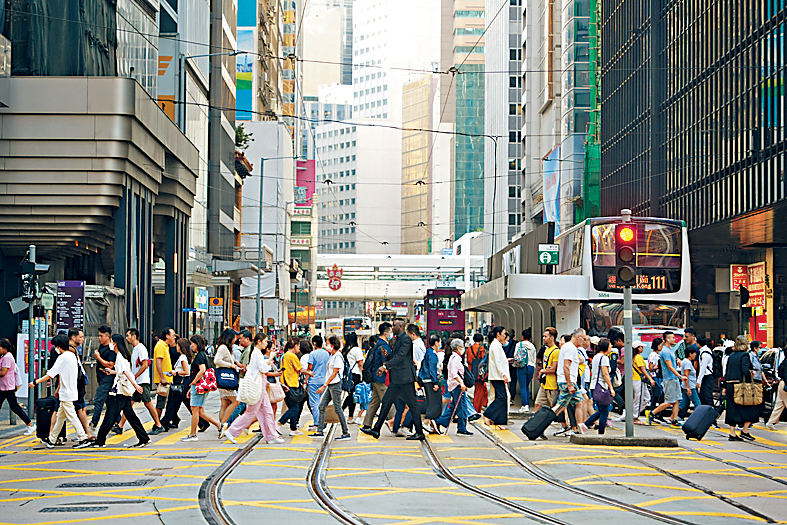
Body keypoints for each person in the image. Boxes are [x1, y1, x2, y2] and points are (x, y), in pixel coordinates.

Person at [361, 318, 425, 440]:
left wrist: (385, 366)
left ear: (400, 327)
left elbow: (401, 357)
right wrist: (388, 356)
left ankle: (419, 432)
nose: (392, 328)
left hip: (405, 379)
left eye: (394, 326)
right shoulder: (398, 339)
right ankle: (376, 429)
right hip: (398, 379)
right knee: (386, 402)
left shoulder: (405, 339)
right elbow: (396, 356)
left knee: (412, 405)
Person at [31, 334, 91, 449]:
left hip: (66, 393)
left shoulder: (62, 357)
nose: (55, 349)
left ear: (59, 346)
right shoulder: (72, 356)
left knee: (72, 416)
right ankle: (52, 440)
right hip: (69, 391)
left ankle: (83, 438)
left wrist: (35, 382)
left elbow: (50, 374)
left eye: (55, 346)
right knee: (60, 417)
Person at [224, 334, 284, 444]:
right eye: (265, 341)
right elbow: (264, 368)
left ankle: (271, 435)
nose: (266, 343)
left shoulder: (256, 353)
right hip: (257, 387)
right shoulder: (256, 353)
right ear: (259, 342)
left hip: (261, 385)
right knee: (251, 412)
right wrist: (271, 357)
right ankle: (232, 431)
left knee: (268, 411)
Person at [91, 334, 149, 448]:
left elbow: (127, 373)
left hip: (119, 393)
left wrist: (136, 385)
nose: (111, 345)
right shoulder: (122, 356)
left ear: (115, 344)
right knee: (131, 417)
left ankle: (100, 441)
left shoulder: (120, 357)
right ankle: (144, 438)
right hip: (122, 392)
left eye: (112, 342)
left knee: (109, 417)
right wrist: (112, 372)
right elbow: (121, 372)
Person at [121, 328, 164, 435]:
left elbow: (145, 364)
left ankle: (158, 425)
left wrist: (134, 377)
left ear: (134, 336)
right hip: (136, 382)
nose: (127, 338)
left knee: (148, 403)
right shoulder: (135, 348)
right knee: (128, 403)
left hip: (142, 381)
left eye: (128, 336)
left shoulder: (141, 348)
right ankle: (120, 426)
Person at [310, 334, 351, 440]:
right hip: (331, 385)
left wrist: (324, 385)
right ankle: (320, 430)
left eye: (327, 344)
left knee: (338, 408)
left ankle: (346, 432)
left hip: (335, 385)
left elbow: (334, 373)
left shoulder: (337, 356)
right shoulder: (332, 356)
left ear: (332, 345)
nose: (326, 346)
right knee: (322, 406)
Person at [181, 334, 221, 442]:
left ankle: (193, 434)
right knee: (200, 411)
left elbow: (202, 370)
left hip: (198, 386)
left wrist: (193, 382)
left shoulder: (200, 356)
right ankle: (219, 425)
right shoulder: (203, 354)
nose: (191, 346)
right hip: (200, 386)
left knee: (195, 410)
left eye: (192, 344)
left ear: (197, 344)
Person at [433, 339, 471, 436]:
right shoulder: (455, 358)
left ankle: (439, 421)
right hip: (456, 386)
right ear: (458, 347)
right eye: (462, 346)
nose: (464, 348)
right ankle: (461, 428)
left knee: (453, 407)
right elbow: (454, 373)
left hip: (455, 385)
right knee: (462, 407)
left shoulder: (456, 357)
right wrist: (461, 383)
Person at [725, 335, 760, 441]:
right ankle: (745, 430)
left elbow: (727, 372)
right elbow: (745, 371)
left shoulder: (731, 356)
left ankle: (732, 433)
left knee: (732, 409)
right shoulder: (744, 356)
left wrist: (724, 387)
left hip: (730, 385)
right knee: (750, 407)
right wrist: (752, 372)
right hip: (741, 387)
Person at [552, 328, 585, 437]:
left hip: (569, 381)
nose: (584, 342)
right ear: (578, 337)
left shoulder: (568, 347)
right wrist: (570, 384)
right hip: (568, 382)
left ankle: (578, 428)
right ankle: (540, 423)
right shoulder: (571, 348)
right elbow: (566, 366)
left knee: (579, 402)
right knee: (559, 407)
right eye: (583, 339)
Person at [361, 323, 394, 431]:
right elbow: (387, 362)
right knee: (387, 400)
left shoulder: (377, 345)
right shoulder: (383, 346)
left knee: (374, 401)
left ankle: (367, 424)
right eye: (390, 332)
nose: (391, 334)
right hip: (381, 378)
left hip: (374, 378)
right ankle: (395, 422)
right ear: (385, 333)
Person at [0, 338, 36, 435]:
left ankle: (30, 424)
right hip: (3, 387)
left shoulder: (7, 357)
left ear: (3, 348)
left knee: (15, 407)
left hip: (7, 387)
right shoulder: (4, 356)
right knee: (14, 406)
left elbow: (3, 372)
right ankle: (30, 424)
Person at [648, 331, 683, 427]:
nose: (674, 339)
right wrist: (680, 376)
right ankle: (653, 413)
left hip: (674, 378)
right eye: (672, 337)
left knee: (677, 399)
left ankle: (674, 419)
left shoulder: (670, 350)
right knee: (670, 401)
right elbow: (670, 367)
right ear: (667, 339)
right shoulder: (665, 351)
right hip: (669, 379)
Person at [278, 338, 313, 436]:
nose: (299, 348)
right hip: (291, 384)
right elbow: (300, 369)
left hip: (286, 383)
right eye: (298, 346)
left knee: (295, 406)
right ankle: (279, 422)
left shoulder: (284, 355)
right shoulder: (292, 356)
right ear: (294, 346)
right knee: (294, 408)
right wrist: (310, 373)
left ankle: (293, 429)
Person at [583, 338, 615, 434]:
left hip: (594, 387)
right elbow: (605, 374)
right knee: (604, 411)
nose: (611, 348)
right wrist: (611, 388)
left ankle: (585, 424)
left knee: (601, 410)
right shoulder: (604, 358)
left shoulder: (596, 357)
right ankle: (601, 431)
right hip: (602, 386)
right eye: (610, 346)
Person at [214, 329, 242, 435]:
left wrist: (238, 365)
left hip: (225, 379)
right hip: (226, 379)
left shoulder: (227, 348)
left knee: (225, 404)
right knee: (236, 401)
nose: (236, 339)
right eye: (234, 337)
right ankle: (223, 424)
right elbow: (217, 360)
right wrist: (230, 365)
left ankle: (221, 426)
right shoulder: (223, 347)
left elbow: (233, 361)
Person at [160, 337, 192, 430]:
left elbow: (187, 372)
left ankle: (164, 422)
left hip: (180, 382)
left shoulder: (182, 357)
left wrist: (175, 373)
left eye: (178, 345)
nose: (176, 347)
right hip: (182, 382)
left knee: (172, 403)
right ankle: (203, 422)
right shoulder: (184, 356)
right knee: (186, 403)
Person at [89, 325, 115, 432]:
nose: (99, 338)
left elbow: (110, 365)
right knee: (110, 402)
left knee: (98, 400)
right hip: (101, 378)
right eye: (98, 336)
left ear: (108, 336)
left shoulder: (111, 349)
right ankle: (117, 421)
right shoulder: (101, 347)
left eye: (101, 336)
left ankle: (94, 422)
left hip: (107, 379)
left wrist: (98, 357)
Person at [484, 326, 510, 429]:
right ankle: (488, 414)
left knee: (503, 398)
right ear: (498, 334)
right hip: (497, 376)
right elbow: (498, 362)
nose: (505, 335)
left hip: (498, 375)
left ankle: (500, 422)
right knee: (502, 397)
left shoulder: (497, 345)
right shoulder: (495, 345)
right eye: (503, 333)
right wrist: (503, 374)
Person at [307, 335, 331, 430]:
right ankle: (321, 420)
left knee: (314, 403)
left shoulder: (312, 354)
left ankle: (318, 422)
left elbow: (310, 368)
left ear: (314, 343)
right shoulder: (327, 354)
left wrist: (305, 381)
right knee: (321, 402)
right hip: (324, 380)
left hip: (314, 381)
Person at [419, 335, 442, 433]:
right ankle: (426, 422)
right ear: (436, 343)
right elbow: (432, 369)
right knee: (435, 403)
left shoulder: (428, 352)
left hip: (425, 379)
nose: (440, 344)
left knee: (431, 401)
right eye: (439, 342)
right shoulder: (432, 354)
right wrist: (435, 382)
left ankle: (432, 424)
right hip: (430, 380)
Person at [341, 332, 365, 423]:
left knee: (351, 395)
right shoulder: (356, 350)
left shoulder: (346, 349)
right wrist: (364, 375)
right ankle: (347, 414)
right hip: (355, 375)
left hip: (348, 376)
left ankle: (346, 413)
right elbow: (360, 364)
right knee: (353, 396)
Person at [534, 327, 559, 412]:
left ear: (552, 338)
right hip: (544, 383)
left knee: (555, 407)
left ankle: (565, 424)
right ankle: (535, 423)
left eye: (545, 336)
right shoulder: (546, 349)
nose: (544, 338)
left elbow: (553, 369)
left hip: (552, 385)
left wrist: (542, 371)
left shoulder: (556, 351)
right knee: (538, 404)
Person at [152, 328, 175, 421]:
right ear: (167, 336)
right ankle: (157, 424)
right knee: (160, 403)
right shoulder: (161, 346)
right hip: (163, 380)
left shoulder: (165, 346)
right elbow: (158, 362)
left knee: (164, 402)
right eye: (173, 335)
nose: (174, 337)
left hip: (166, 379)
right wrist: (162, 378)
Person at [514, 329, 537, 413]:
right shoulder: (532, 346)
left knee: (522, 386)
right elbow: (534, 359)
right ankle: (526, 403)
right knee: (527, 386)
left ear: (522, 336)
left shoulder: (519, 344)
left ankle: (525, 405)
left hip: (522, 367)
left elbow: (516, 356)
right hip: (530, 367)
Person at [632, 341, 654, 424]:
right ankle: (635, 416)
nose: (643, 348)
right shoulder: (638, 357)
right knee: (638, 398)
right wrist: (650, 379)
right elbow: (642, 369)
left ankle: (635, 413)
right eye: (641, 346)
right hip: (637, 379)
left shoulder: (635, 357)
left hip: (638, 379)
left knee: (646, 397)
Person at [766, 347, 787, 430]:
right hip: (785, 384)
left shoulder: (784, 362)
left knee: (779, 404)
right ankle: (770, 422)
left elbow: (781, 373)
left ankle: (770, 422)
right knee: (779, 404)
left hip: (781, 384)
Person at [466, 334, 488, 412]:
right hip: (479, 373)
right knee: (479, 391)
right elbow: (483, 361)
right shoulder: (481, 348)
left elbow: (468, 360)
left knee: (479, 389)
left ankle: (480, 405)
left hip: (471, 372)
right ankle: (476, 409)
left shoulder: (469, 349)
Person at [678, 346, 701, 418]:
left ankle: (674, 416)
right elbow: (686, 375)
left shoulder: (685, 361)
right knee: (697, 403)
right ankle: (698, 417)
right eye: (694, 353)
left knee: (682, 403)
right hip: (690, 386)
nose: (695, 355)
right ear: (690, 354)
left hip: (687, 385)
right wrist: (688, 388)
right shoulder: (687, 363)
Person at [648, 337, 664, 415]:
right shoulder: (653, 355)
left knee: (658, 396)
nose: (662, 346)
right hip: (655, 376)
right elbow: (651, 368)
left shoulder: (658, 354)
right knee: (657, 396)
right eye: (661, 345)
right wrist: (660, 366)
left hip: (660, 377)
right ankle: (654, 412)